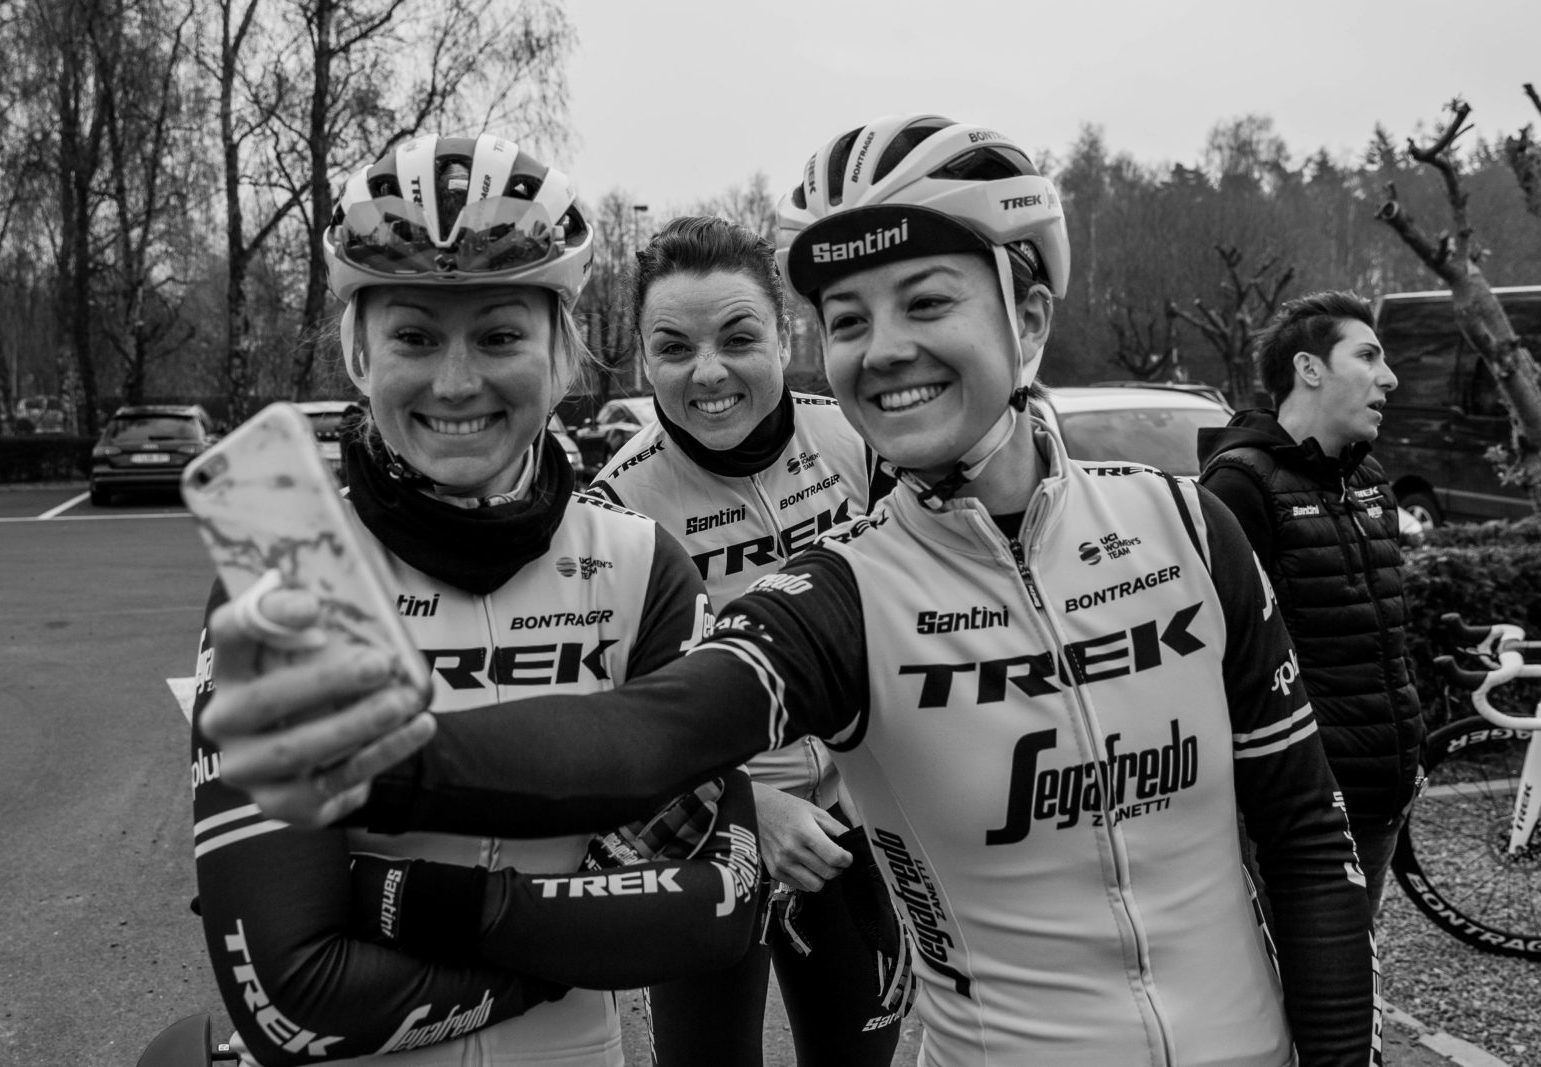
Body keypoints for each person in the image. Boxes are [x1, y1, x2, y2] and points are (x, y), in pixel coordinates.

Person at [201, 115, 1381, 1066]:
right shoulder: (842, 590)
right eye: (850, 319)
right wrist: (393, 769)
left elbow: (1302, 832)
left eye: (927, 301)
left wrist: (390, 865)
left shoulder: (1187, 524)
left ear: (1027, 317)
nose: (885, 347)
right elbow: (649, 737)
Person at [188, 133, 762, 1067]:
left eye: (499, 336)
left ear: (563, 353)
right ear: (359, 353)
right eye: (414, 336)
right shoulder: (285, 570)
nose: (456, 383)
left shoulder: (641, 566)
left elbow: (715, 911)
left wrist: (406, 898)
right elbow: (296, 998)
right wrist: (567, 944)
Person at [587, 214, 906, 1066]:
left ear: (785, 336)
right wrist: (750, 807)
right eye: (674, 347)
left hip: (853, 825)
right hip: (704, 840)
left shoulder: (856, 438)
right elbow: (616, 724)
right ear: (643, 360)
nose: (709, 372)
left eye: (738, 338)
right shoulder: (615, 507)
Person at [1198, 290, 1423, 917]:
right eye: (1368, 356)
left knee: (1359, 963)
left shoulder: (1370, 479)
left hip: (1381, 793)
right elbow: (1221, 662)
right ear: (1309, 369)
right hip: (1300, 818)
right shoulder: (1240, 483)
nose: (1389, 378)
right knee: (1289, 973)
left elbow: (1383, 640)